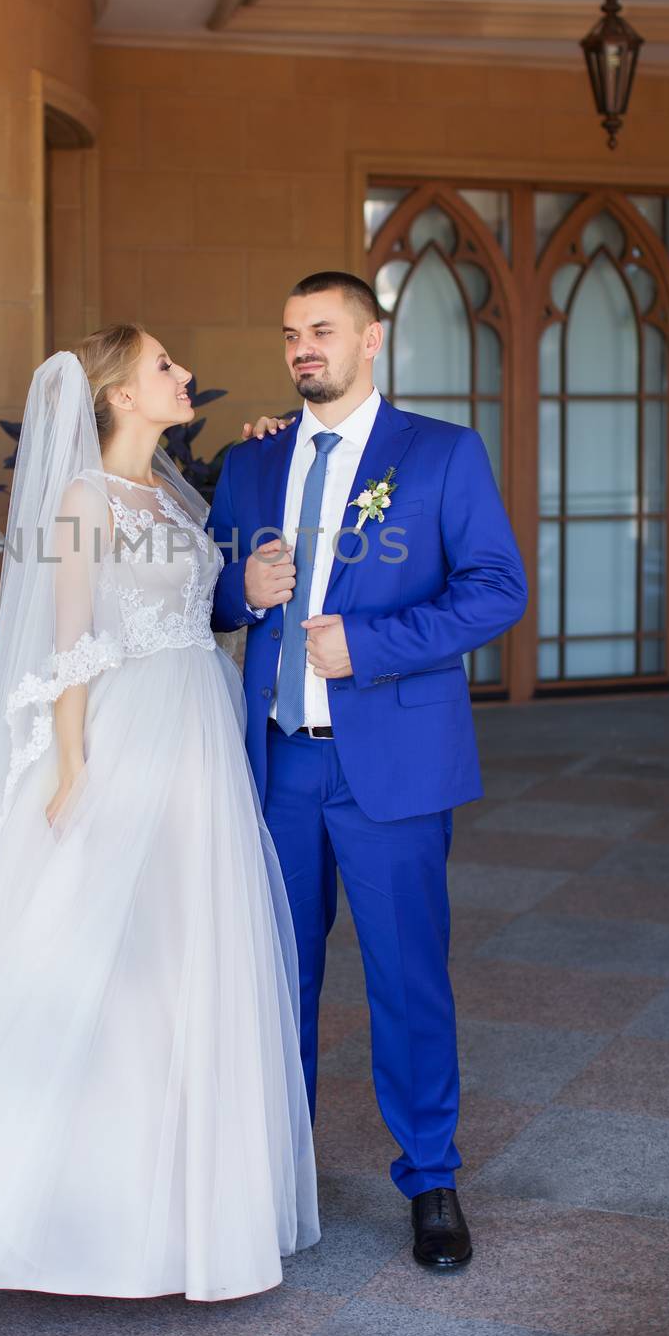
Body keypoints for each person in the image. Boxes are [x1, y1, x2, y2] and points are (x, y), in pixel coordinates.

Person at [0, 325, 319, 1301]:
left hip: (195, 737)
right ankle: (14, 1205)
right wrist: (73, 765)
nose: (183, 375)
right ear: (120, 394)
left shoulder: (169, 489)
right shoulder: (81, 499)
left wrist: (253, 525)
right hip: (128, 732)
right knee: (88, 950)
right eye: (163, 366)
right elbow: (69, 642)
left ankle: (176, 1206)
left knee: (180, 953)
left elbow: (194, 599)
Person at [210, 271, 528, 1271]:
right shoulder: (250, 462)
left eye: (322, 329)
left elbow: (496, 590)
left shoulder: (439, 453)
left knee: (404, 978)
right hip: (277, 769)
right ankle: (273, 1173)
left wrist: (373, 644)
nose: (302, 347)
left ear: (371, 338)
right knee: (275, 981)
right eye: (289, 332)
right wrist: (239, 585)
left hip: (388, 763)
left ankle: (429, 1177)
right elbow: (203, 593)